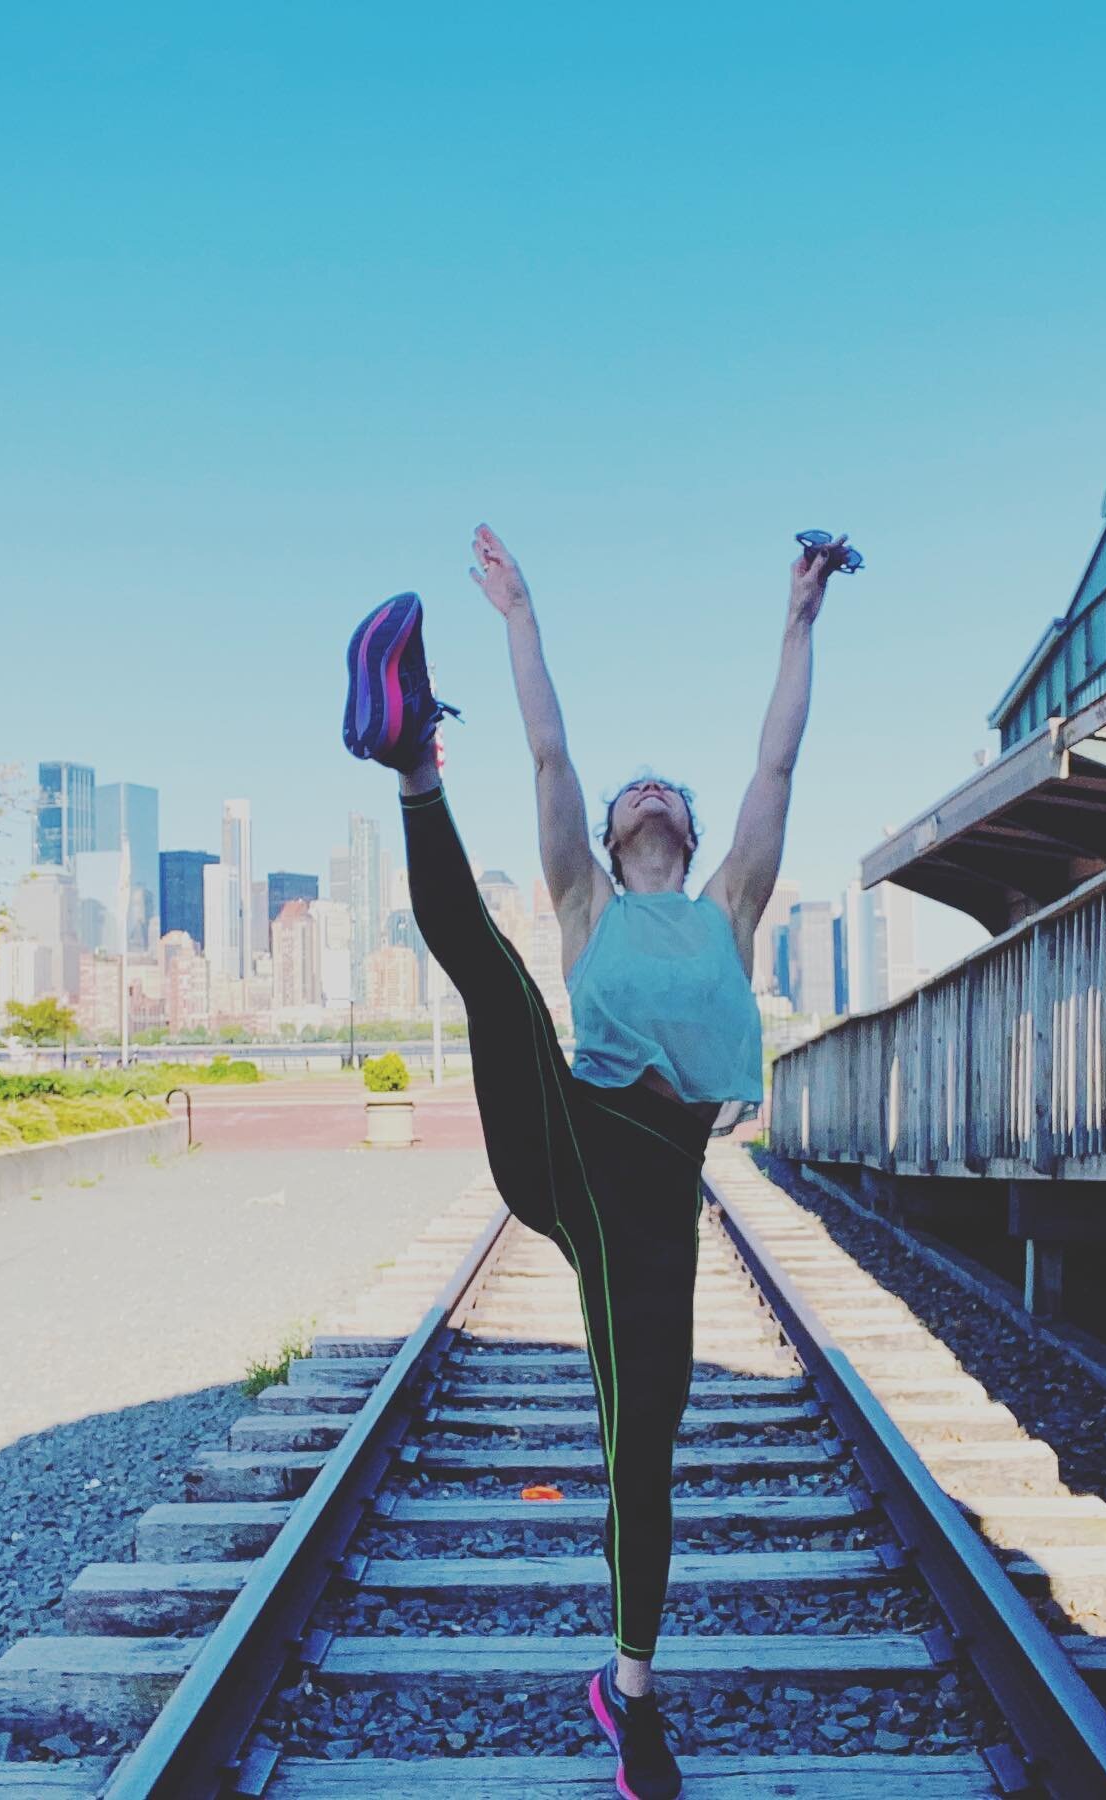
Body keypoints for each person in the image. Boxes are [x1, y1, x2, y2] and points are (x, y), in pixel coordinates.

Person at [342, 523, 849, 1800]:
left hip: (658, 1201)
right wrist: (520, 618)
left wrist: (798, 623)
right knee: (501, 985)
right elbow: (556, 750)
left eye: (661, 792)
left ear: (680, 826)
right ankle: (411, 757)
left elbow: (775, 764)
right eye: (635, 797)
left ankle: (630, 1693)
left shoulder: (729, 908)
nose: (647, 797)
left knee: (644, 1442)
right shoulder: (587, 906)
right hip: (574, 1137)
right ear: (617, 835)